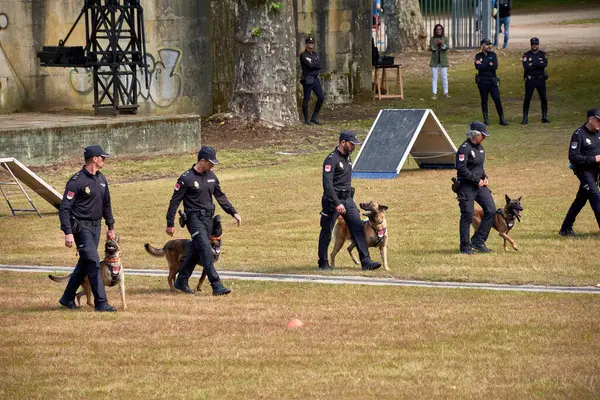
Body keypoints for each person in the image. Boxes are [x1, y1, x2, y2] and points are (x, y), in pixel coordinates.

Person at [166, 146, 241, 295]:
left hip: (208, 219)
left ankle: (181, 280)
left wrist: (233, 212)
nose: (212, 166)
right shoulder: (186, 178)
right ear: (202, 161)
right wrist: (170, 223)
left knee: (195, 250)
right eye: (210, 163)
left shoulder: (212, 176)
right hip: (194, 219)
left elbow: (220, 196)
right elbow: (174, 201)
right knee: (206, 249)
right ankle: (217, 285)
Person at [58, 145, 117, 312]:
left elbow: (106, 205)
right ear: (94, 159)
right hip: (81, 228)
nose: (104, 160)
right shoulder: (76, 181)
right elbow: (64, 209)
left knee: (84, 263)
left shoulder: (102, 179)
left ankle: (67, 298)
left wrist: (110, 226)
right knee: (92, 262)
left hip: (96, 226)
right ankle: (101, 303)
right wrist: (68, 232)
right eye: (102, 157)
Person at [318, 132, 382, 271]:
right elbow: (327, 185)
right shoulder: (331, 160)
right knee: (326, 231)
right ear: (343, 142)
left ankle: (366, 261)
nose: (354, 147)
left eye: (355, 145)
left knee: (358, 227)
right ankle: (323, 263)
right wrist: (337, 203)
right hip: (333, 201)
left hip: (348, 200)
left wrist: (346, 201)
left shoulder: (348, 158)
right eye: (352, 144)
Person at [455, 122, 496, 254]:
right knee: (467, 215)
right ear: (475, 135)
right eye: (483, 136)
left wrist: (485, 177)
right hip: (467, 186)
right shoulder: (464, 149)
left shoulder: (480, 148)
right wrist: (476, 180)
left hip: (480, 186)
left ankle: (478, 241)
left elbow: (480, 167)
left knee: (491, 210)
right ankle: (465, 247)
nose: (484, 138)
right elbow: (461, 169)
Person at [558, 109, 600, 237]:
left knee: (581, 199)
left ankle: (565, 229)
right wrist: (594, 159)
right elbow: (573, 157)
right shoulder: (579, 134)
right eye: (598, 120)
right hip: (584, 171)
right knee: (596, 197)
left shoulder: (599, 132)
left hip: (597, 171)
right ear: (590, 119)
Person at [474, 38, 508, 126]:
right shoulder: (478, 56)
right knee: (484, 100)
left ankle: (501, 118)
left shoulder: (493, 55)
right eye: (487, 44)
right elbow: (478, 66)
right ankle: (486, 119)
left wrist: (484, 64)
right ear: (482, 46)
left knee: (497, 99)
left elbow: (495, 66)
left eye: (490, 44)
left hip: (492, 81)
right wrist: (488, 63)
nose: (489, 46)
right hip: (482, 81)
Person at [521, 37, 550, 125]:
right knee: (527, 99)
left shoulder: (542, 54)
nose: (534, 45)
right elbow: (526, 67)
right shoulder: (526, 55)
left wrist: (533, 64)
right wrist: (538, 64)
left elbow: (544, 64)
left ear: (538, 44)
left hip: (540, 79)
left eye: (536, 44)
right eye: (532, 44)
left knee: (543, 98)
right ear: (530, 45)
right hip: (530, 80)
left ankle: (544, 116)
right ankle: (525, 117)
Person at [300, 36, 325, 125]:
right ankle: (306, 119)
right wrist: (314, 65)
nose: (311, 44)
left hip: (315, 78)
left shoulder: (315, 54)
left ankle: (314, 117)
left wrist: (313, 65)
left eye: (312, 43)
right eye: (309, 43)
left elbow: (319, 65)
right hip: (307, 79)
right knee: (306, 99)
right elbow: (309, 65)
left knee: (321, 97)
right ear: (306, 44)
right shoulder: (303, 55)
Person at [429, 24, 450, 100]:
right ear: (435, 30)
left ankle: (446, 93)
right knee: (434, 77)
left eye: (440, 29)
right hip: (434, 61)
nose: (438, 31)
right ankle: (434, 94)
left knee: (444, 77)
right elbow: (431, 49)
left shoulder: (445, 38)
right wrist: (435, 44)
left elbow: (447, 47)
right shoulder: (432, 39)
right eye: (437, 29)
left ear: (442, 30)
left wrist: (442, 43)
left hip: (443, 61)